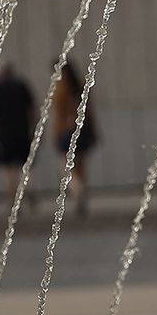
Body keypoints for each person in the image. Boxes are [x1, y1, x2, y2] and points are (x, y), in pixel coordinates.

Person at [50, 60, 97, 215]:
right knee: (81, 164)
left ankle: (78, 189)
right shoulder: (81, 87)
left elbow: (59, 115)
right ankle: (81, 192)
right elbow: (89, 111)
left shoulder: (60, 89)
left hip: (66, 131)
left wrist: (55, 133)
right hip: (83, 130)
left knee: (66, 165)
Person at [0, 63, 37, 204]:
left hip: (4, 134)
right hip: (23, 132)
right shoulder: (22, 86)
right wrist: (35, 129)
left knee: (8, 168)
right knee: (26, 165)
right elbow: (32, 110)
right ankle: (30, 190)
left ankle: (12, 198)